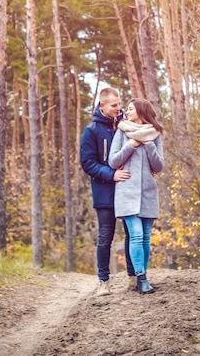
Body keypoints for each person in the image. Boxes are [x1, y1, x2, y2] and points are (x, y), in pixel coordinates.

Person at [80, 87, 135, 296]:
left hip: (129, 190)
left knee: (132, 233)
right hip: (105, 193)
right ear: (102, 105)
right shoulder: (92, 131)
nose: (118, 108)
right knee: (106, 236)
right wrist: (111, 174)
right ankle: (103, 282)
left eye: (119, 104)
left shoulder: (127, 126)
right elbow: (87, 163)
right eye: (114, 105)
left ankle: (133, 277)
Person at [108, 97, 164, 294]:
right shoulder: (122, 132)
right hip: (126, 192)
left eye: (131, 109)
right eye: (127, 109)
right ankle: (141, 278)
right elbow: (113, 161)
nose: (127, 112)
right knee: (136, 235)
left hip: (148, 192)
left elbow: (159, 166)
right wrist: (131, 144)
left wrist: (148, 144)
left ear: (141, 112)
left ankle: (144, 275)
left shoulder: (155, 134)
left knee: (146, 237)